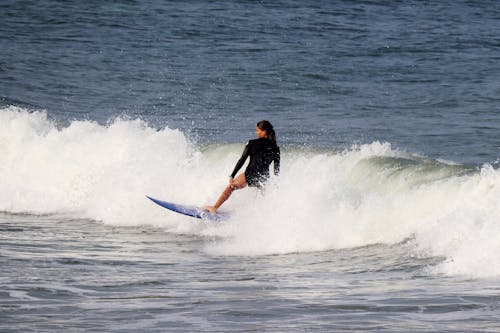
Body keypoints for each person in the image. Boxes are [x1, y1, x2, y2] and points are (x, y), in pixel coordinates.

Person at [204, 120, 280, 214]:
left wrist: (232, 176)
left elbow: (241, 160)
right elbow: (276, 170)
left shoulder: (252, 143)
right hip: (263, 178)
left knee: (231, 187)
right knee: (260, 198)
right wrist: (275, 184)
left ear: (264, 132)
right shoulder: (276, 148)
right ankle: (259, 216)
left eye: (258, 130)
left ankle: (214, 207)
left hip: (250, 174)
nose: (256, 133)